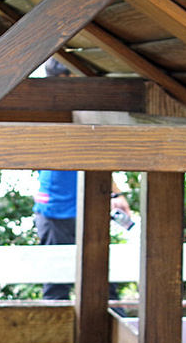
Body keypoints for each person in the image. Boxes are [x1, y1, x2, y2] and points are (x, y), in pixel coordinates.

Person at [35, 59, 133, 300]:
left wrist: (115, 194)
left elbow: (96, 156)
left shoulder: (86, 111)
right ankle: (55, 338)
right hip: (54, 211)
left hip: (88, 206)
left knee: (103, 283)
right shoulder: (48, 111)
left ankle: (113, 334)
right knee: (57, 285)